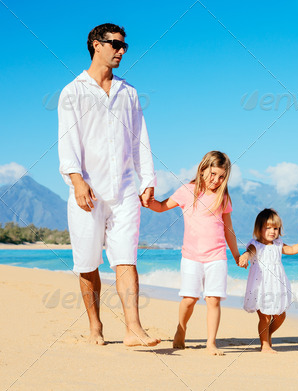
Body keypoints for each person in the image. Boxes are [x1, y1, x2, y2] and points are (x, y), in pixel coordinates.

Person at [58, 23, 160, 346]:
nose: (120, 50)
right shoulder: (72, 92)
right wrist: (76, 180)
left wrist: (148, 180)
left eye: (123, 46)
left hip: (125, 190)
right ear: (95, 45)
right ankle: (95, 327)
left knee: (126, 258)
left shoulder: (128, 93)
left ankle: (133, 329)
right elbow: (67, 142)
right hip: (87, 190)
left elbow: (139, 140)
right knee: (88, 263)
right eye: (114, 44)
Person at [148, 151, 240, 355]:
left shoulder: (223, 197)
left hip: (217, 256)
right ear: (203, 168)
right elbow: (162, 207)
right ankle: (181, 329)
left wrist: (235, 255)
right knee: (189, 299)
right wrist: (144, 200)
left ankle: (211, 342)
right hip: (191, 256)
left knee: (213, 299)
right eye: (213, 174)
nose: (216, 180)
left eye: (222, 177)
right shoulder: (187, 191)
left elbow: (228, 229)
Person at [239, 208, 298, 353]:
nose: (272, 231)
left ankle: (267, 335)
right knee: (265, 317)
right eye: (268, 228)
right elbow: (249, 252)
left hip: (277, 286)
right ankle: (265, 344)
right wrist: (244, 257)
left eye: (275, 228)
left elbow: (291, 249)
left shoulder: (278, 244)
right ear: (259, 229)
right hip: (261, 286)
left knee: (280, 315)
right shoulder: (255, 244)